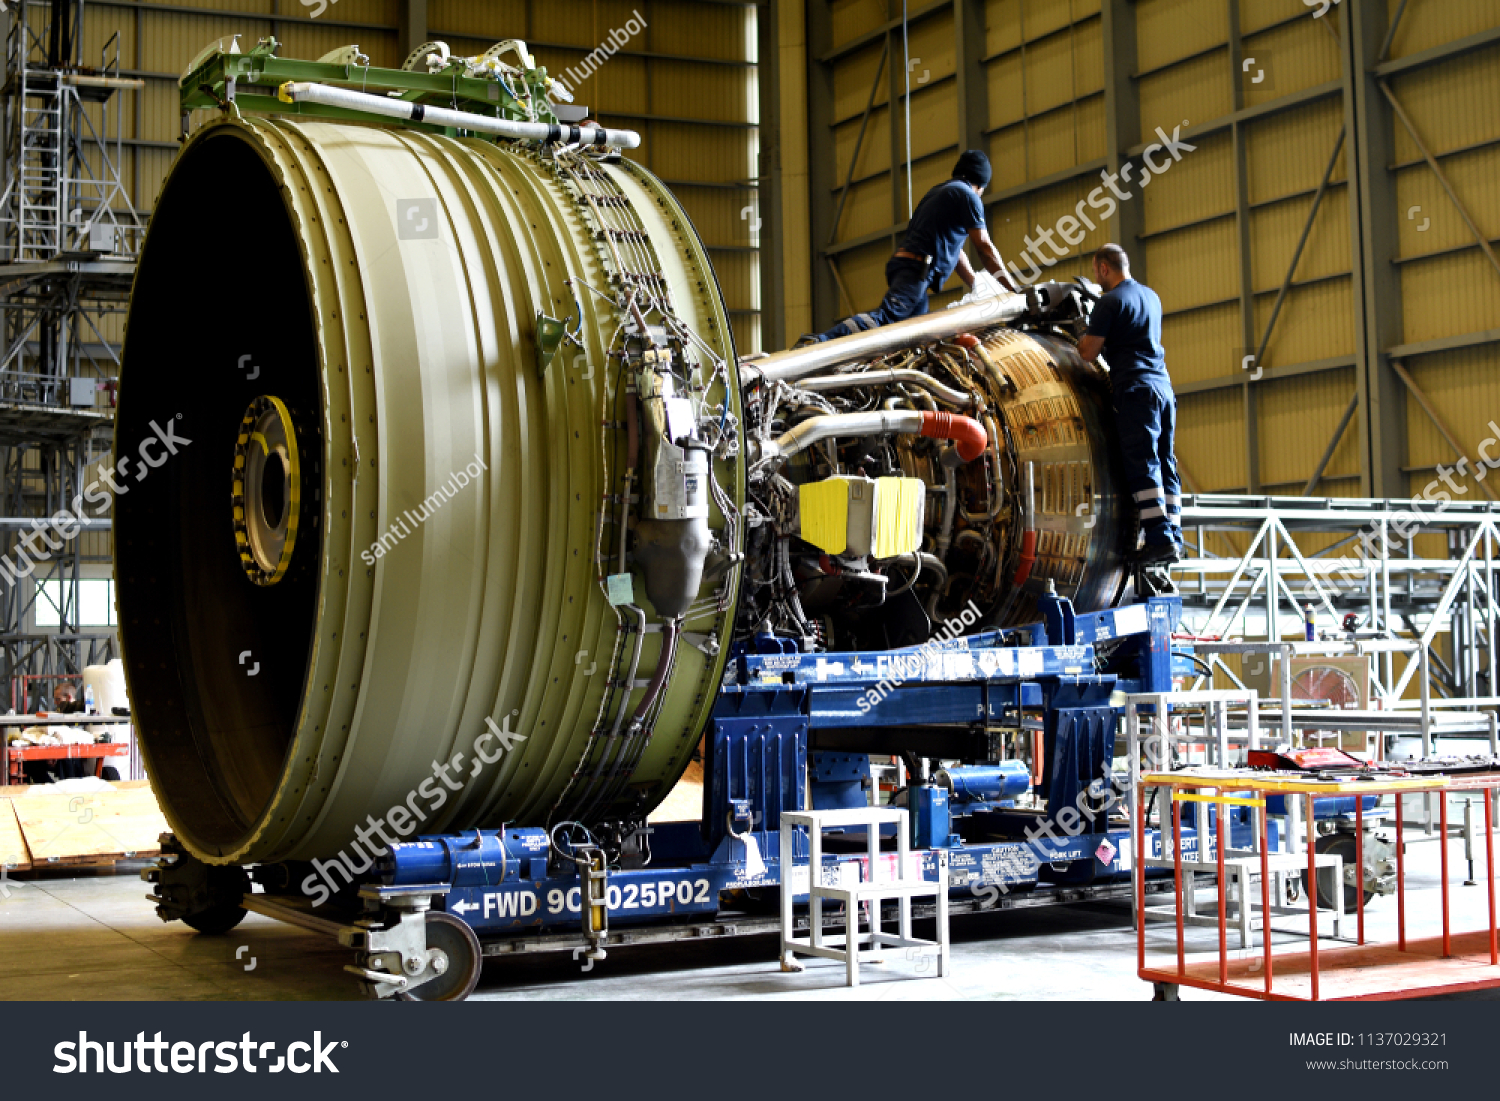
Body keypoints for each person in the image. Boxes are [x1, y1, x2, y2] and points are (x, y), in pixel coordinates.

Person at [800, 150, 1017, 344]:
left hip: (909, 265)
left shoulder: (941, 192)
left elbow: (956, 252)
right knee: (888, 318)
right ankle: (820, 341)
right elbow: (985, 249)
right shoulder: (968, 196)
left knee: (917, 336)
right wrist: (1012, 290)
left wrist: (977, 284)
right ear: (980, 184)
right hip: (916, 269)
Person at [1076, 244, 1183, 566]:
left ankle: (1158, 538)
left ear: (1103, 268)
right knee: (1166, 462)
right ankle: (1174, 537)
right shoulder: (1152, 297)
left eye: (1097, 271)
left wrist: (1083, 329)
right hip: (1163, 388)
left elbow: (1087, 353)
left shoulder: (1109, 302)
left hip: (1136, 390)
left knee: (1142, 463)